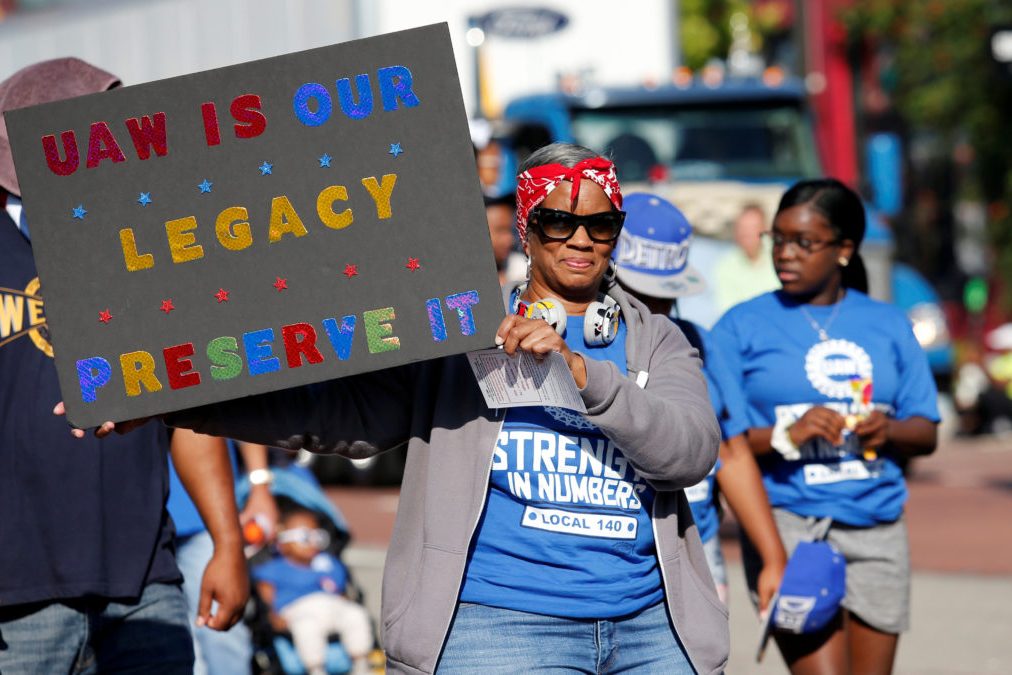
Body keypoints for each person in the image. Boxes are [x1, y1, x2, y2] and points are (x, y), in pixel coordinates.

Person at [86, 143, 727, 674]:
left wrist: (586, 374)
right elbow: (342, 415)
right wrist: (175, 399)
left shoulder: (657, 338)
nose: (580, 239)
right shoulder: (460, 328)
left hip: (651, 633)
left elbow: (691, 453)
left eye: (601, 224)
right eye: (558, 221)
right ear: (527, 232)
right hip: (498, 626)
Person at [0, 57, 247, 674]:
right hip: (13, 594)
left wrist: (228, 542)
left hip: (144, 579)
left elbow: (190, 410)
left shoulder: (152, 247)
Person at [711, 178, 940, 674]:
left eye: (804, 242)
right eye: (779, 239)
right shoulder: (739, 326)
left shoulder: (888, 323)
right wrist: (786, 432)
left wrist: (888, 430)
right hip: (791, 527)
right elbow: (722, 442)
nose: (785, 254)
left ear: (844, 249)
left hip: (877, 529)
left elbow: (926, 431)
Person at [614, 192, 786, 609]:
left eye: (662, 297)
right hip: (610, 549)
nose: (653, 309)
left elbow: (733, 452)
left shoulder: (698, 343)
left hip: (695, 547)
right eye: (637, 293)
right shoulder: (580, 350)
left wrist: (774, 556)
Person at [169, 440, 279, 675]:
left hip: (204, 518)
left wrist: (259, 484)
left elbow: (241, 408)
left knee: (220, 628)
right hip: (127, 522)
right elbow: (87, 403)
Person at [254, 506, 374, 675]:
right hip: (298, 610)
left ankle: (361, 664)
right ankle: (315, 668)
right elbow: (267, 595)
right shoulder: (275, 568)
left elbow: (340, 590)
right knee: (307, 628)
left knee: (356, 615)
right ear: (282, 543)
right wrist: (272, 614)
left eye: (317, 536)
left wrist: (345, 600)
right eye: (304, 537)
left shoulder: (327, 563)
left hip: (332, 605)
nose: (312, 542)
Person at [714, 202, 780, 313]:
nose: (746, 234)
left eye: (752, 228)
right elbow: (727, 309)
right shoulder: (725, 265)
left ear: (765, 229)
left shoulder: (780, 255)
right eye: (742, 228)